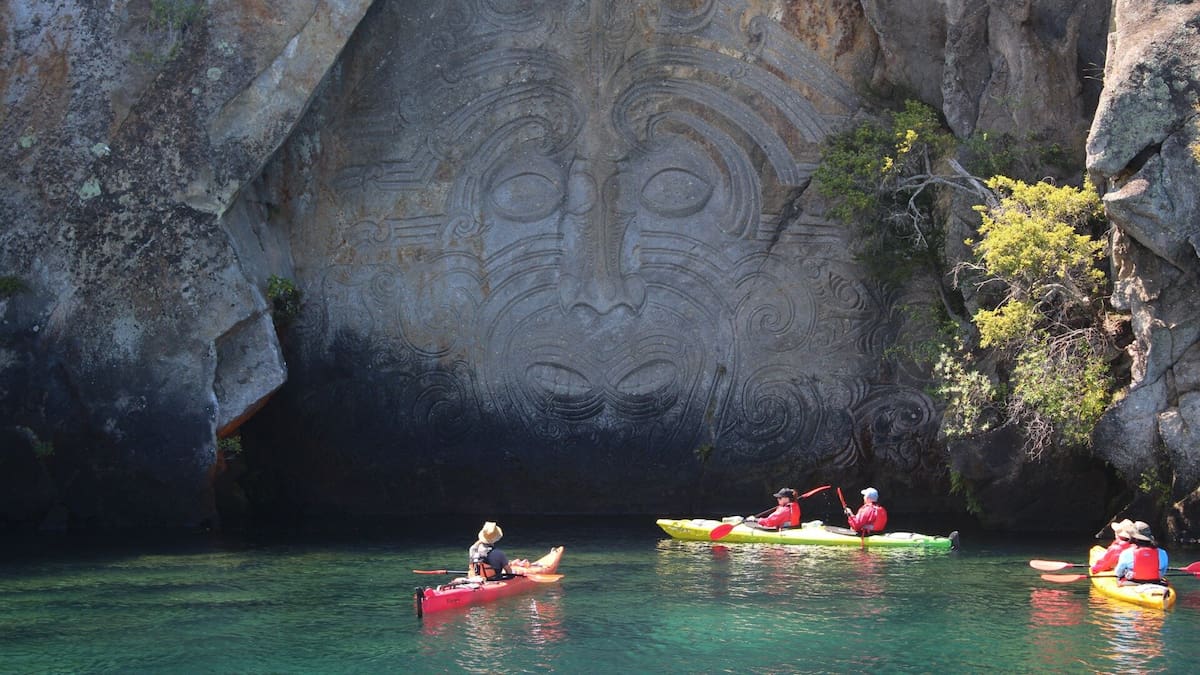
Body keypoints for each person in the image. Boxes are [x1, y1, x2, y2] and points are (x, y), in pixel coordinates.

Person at [1114, 521, 1168, 585]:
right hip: (1155, 582)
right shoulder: (1162, 552)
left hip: (1133, 582)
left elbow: (1118, 573)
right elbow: (1163, 572)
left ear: (1135, 538)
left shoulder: (1127, 553)